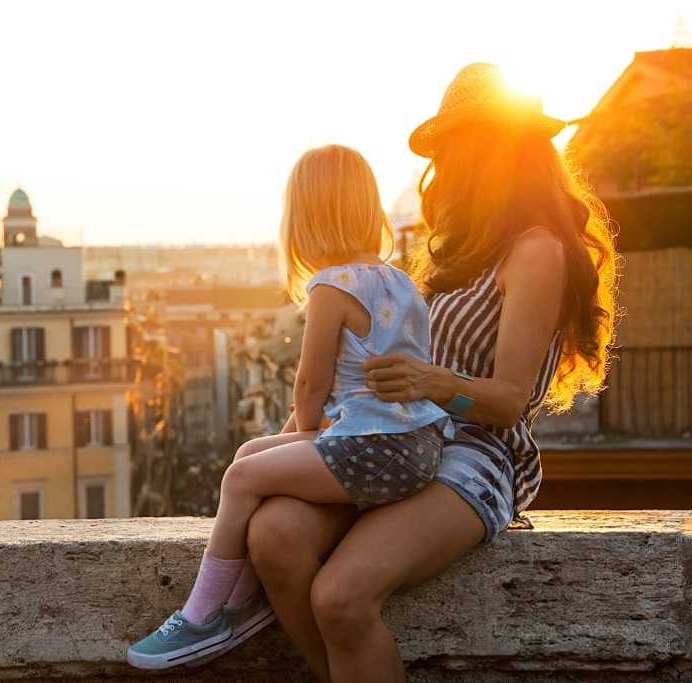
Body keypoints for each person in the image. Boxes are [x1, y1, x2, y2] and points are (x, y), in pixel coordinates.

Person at [244, 63, 618, 683]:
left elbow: (507, 402)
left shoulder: (538, 251)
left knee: (340, 596)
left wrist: (434, 382)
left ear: (492, 153)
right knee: (274, 539)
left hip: (475, 456)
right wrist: (301, 432)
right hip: (398, 441)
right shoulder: (455, 253)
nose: (441, 169)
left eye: (453, 150)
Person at [126, 144, 453, 670]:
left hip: (373, 448)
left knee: (240, 479)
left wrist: (304, 437)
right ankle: (238, 596)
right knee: (251, 451)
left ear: (305, 215)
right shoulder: (402, 282)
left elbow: (309, 386)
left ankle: (206, 612)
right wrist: (288, 446)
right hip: (416, 445)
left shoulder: (331, 286)